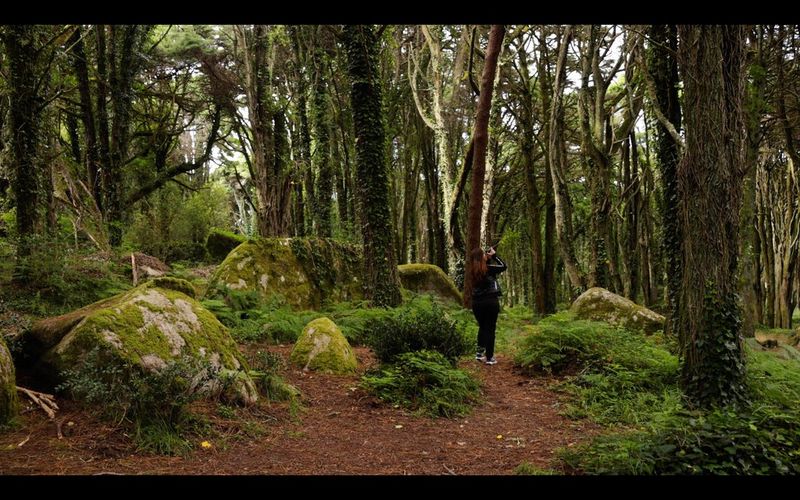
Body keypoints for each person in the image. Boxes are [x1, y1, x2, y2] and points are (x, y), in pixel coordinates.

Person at [469, 246, 507, 365]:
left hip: (477, 303)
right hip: (490, 302)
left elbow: (483, 271)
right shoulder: (489, 269)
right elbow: (503, 266)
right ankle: (489, 358)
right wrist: (494, 256)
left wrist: (487, 259)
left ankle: (479, 354)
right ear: (482, 257)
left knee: (482, 327)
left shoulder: (472, 271)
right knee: (490, 329)